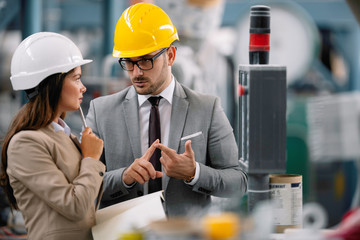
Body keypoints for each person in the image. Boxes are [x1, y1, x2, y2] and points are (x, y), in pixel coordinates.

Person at [86, 2, 247, 216]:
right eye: (128, 62)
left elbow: (238, 183)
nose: (136, 73)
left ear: (170, 55)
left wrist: (194, 173)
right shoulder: (102, 111)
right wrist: (123, 178)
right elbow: (82, 188)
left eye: (145, 61)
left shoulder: (207, 108)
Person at [0, 32, 105, 240]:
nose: (83, 87)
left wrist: (126, 177)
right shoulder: (26, 144)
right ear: (53, 84)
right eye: (76, 79)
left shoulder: (64, 134)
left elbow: (87, 195)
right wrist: (91, 159)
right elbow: (75, 206)